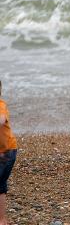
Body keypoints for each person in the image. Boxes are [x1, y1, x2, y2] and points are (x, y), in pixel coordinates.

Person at [0, 81, 18, 225]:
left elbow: (1, 119)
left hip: (7, 152)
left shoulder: (1, 104)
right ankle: (2, 219)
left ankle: (2, 219)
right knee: (0, 185)